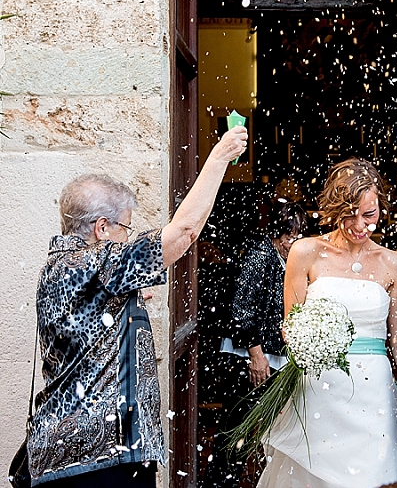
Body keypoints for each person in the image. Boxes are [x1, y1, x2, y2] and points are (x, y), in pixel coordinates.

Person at [27, 126, 248, 487]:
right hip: (99, 460)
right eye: (125, 229)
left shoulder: (61, 267)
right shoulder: (96, 264)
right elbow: (184, 233)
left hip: (73, 458)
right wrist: (220, 156)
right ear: (102, 228)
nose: (127, 237)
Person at [257, 157, 397, 488]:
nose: (360, 225)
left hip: (374, 395)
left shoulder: (394, 264)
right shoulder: (305, 252)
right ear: (334, 208)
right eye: (350, 214)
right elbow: (291, 326)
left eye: (369, 215)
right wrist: (305, 341)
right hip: (318, 389)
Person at [203, 201, 308, 488]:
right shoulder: (260, 255)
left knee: (249, 430)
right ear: (277, 234)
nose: (294, 242)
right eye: (290, 236)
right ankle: (220, 483)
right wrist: (256, 356)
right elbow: (242, 310)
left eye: (299, 236)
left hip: (270, 355)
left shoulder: (282, 258)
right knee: (237, 428)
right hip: (248, 357)